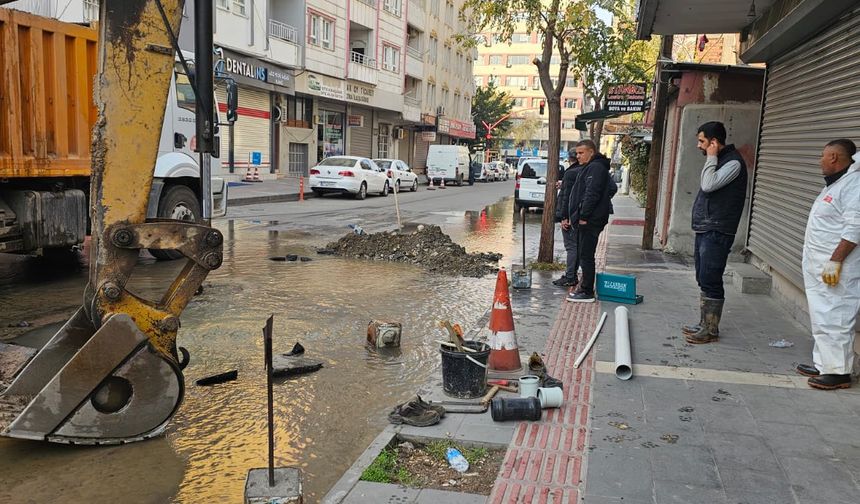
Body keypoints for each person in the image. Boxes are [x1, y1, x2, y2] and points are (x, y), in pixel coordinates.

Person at [795, 139, 860, 390]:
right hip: (820, 265)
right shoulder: (838, 184)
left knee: (836, 315)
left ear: (834, 157)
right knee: (823, 315)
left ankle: (839, 372)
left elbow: (855, 227)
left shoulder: (853, 185)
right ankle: (825, 364)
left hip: (837, 267)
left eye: (823, 156)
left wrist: (836, 261)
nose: (820, 161)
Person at [682, 122, 748, 344]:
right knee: (703, 276)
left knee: (711, 277)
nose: (698, 146)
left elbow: (708, 185)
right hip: (707, 227)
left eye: (702, 141)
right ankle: (703, 323)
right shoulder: (722, 161)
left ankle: (710, 329)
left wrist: (711, 158)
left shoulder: (733, 163)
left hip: (718, 229)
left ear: (714, 142)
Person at [566, 140, 616, 303]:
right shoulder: (593, 167)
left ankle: (587, 291)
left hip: (589, 220)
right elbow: (611, 188)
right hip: (590, 218)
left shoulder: (595, 168)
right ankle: (584, 287)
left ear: (591, 152)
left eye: (581, 153)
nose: (577, 156)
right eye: (577, 153)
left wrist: (584, 216)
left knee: (586, 255)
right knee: (584, 254)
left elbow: (591, 193)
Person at [553, 152, 583, 287]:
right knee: (575, 246)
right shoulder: (582, 171)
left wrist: (564, 217)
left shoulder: (571, 173)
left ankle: (570, 276)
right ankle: (572, 275)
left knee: (571, 247)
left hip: (571, 216)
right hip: (578, 216)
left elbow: (567, 198)